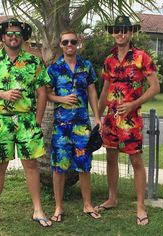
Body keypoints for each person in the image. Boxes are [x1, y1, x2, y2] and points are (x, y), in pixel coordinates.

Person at [0, 18, 52, 228]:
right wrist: (3, 94)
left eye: (18, 33)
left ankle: (37, 209)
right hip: (0, 122)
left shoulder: (34, 62)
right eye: (9, 34)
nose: (14, 37)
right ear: (2, 37)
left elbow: (43, 92)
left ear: (23, 37)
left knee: (31, 166)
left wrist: (36, 121)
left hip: (27, 121)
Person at [96, 15, 160, 225]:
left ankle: (141, 206)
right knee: (111, 159)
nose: (120, 33)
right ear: (113, 33)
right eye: (116, 29)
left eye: (124, 29)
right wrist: (97, 116)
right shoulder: (109, 60)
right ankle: (112, 198)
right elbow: (105, 90)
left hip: (131, 120)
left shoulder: (142, 57)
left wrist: (133, 105)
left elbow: (155, 87)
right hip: (110, 120)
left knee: (136, 161)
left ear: (131, 33)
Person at [47, 30, 102, 222]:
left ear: (77, 44)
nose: (69, 45)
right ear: (61, 45)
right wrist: (61, 98)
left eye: (73, 41)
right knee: (58, 167)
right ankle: (58, 207)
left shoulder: (86, 66)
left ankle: (87, 205)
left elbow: (92, 92)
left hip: (82, 126)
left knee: (84, 166)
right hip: (61, 128)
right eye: (65, 42)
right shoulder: (54, 69)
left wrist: (97, 117)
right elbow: (46, 94)